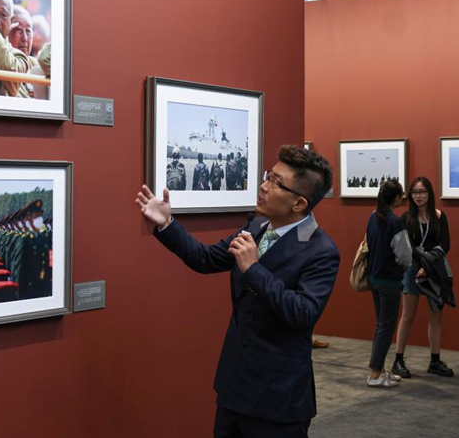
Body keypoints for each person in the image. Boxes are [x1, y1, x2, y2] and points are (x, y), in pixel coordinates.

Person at [136, 145, 338, 438]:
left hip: (278, 398)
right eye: (269, 175)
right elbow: (205, 259)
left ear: (299, 204)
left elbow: (303, 312)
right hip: (236, 386)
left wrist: (254, 269)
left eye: (276, 182)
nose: (264, 185)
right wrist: (167, 223)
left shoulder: (321, 250)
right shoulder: (256, 227)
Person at [392, 176, 454, 379]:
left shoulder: (439, 215)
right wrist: (423, 262)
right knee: (407, 315)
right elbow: (407, 246)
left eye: (422, 192)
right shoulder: (405, 218)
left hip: (435, 269)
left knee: (436, 316)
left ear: (430, 194)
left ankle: (435, 360)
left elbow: (445, 244)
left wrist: (429, 265)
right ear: (410, 195)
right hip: (412, 268)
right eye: (415, 192)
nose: (419, 196)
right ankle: (398, 360)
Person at [365, 180, 411, 387]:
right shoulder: (395, 222)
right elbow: (404, 256)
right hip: (389, 281)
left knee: (380, 325)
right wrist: (406, 268)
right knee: (386, 327)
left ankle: (379, 369)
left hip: (374, 278)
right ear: (396, 198)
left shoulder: (373, 217)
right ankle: (375, 374)